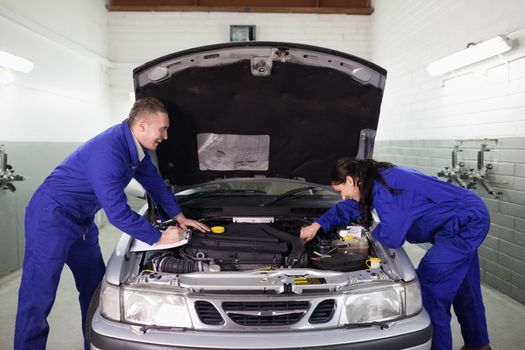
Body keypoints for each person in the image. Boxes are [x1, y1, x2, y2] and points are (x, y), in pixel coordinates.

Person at [14, 97, 209, 350]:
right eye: (162, 129)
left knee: (95, 291)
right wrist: (159, 237)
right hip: (50, 219)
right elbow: (117, 213)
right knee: (38, 297)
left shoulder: (135, 149)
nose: (166, 135)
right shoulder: (108, 152)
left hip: (82, 222)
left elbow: (154, 183)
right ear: (141, 125)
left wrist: (179, 217)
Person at [300, 157, 491, 350]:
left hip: (465, 224)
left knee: (430, 289)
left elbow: (392, 237)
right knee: (466, 288)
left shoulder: (386, 190)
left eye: (340, 191)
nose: (342, 197)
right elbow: (352, 206)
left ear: (350, 180)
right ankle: (479, 345)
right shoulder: (374, 179)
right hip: (464, 215)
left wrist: (372, 230)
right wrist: (318, 224)